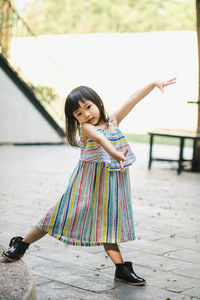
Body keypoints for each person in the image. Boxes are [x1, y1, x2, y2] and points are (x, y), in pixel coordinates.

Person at [2, 78, 176, 286]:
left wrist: (153, 84)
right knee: (59, 214)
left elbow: (132, 100)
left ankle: (121, 269)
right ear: (75, 118)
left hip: (111, 187)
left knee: (107, 226)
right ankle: (22, 245)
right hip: (85, 186)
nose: (86, 114)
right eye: (79, 113)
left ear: (98, 103)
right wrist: (115, 153)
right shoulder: (86, 128)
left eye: (88, 107)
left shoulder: (113, 121)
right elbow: (102, 140)